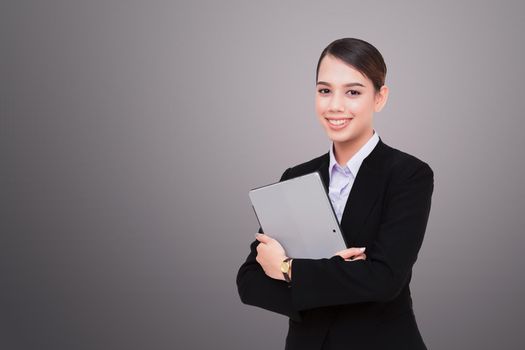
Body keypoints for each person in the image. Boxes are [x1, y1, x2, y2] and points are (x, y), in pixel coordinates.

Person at [236, 38, 434, 350]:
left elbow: (384, 280)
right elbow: (250, 282)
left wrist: (288, 269)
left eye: (353, 92)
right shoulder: (296, 176)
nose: (335, 105)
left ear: (380, 97)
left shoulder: (408, 174)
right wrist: (343, 275)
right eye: (324, 90)